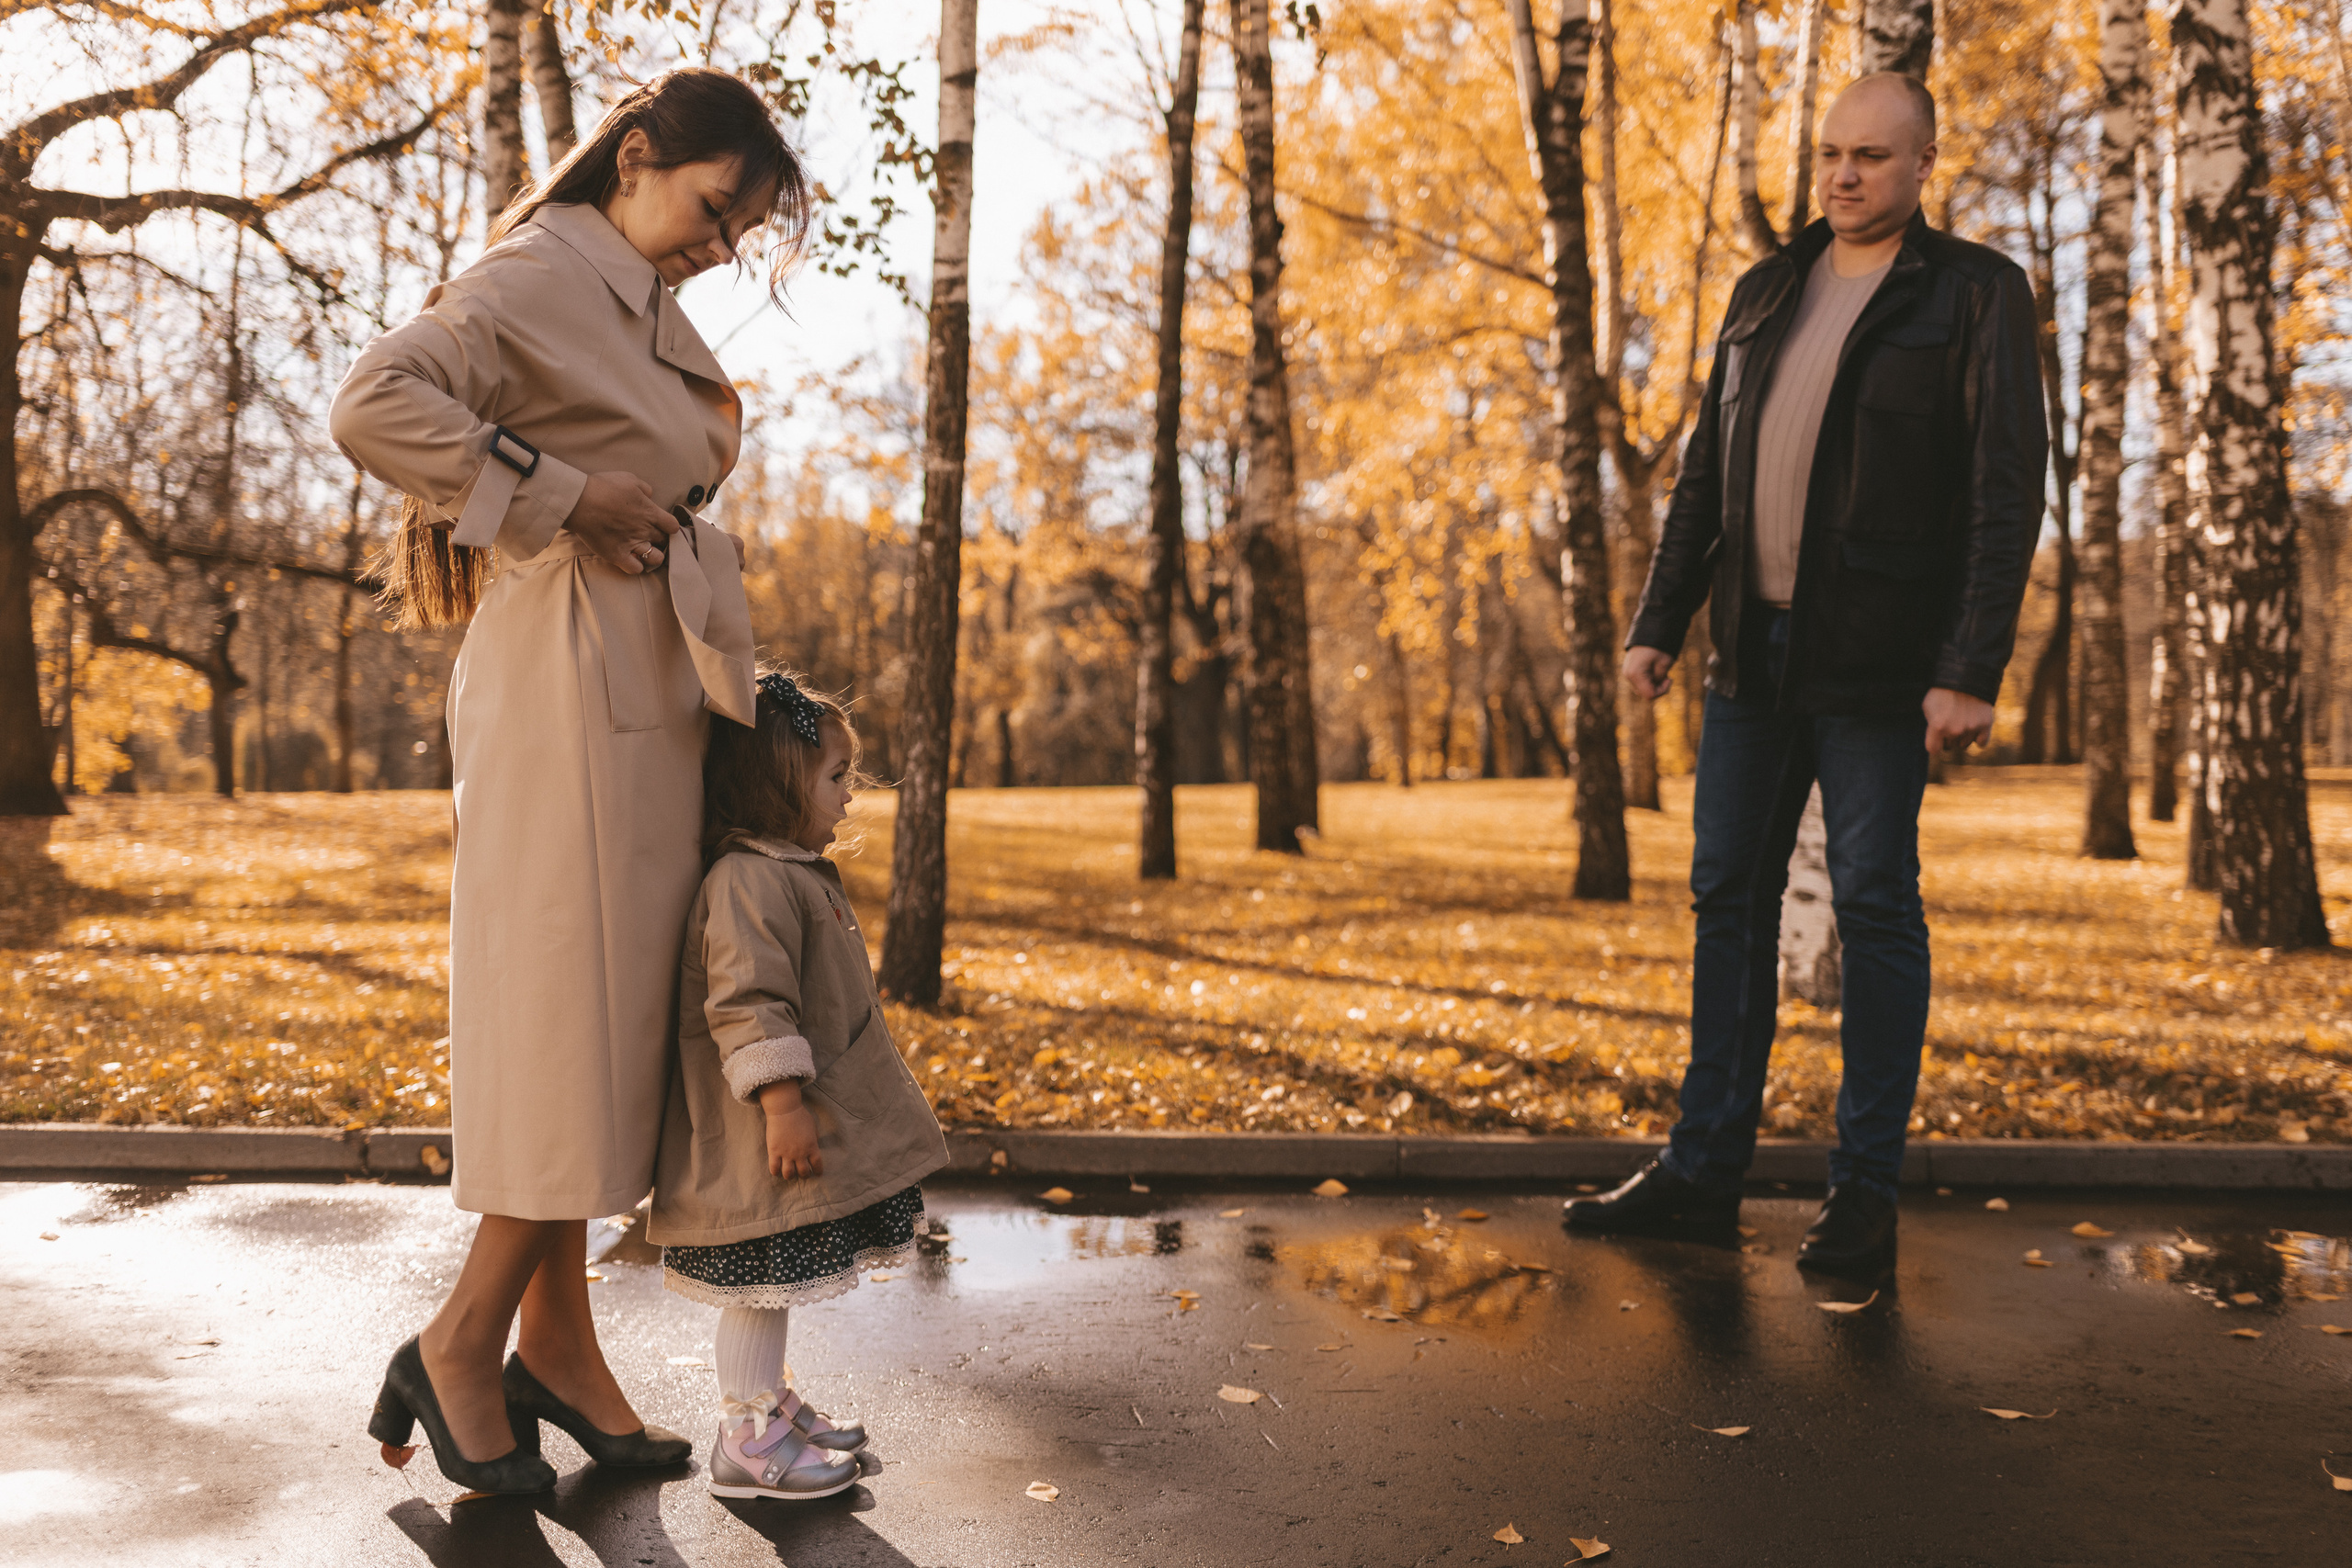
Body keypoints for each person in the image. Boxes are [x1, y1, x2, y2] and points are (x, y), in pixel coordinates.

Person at [334, 69, 808, 1494]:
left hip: (638, 688)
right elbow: (375, 402)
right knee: (567, 1027)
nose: (720, 246)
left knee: (604, 1034)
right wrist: (551, 490)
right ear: (640, 153)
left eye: (741, 231)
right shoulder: (539, 271)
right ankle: (465, 1338)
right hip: (562, 689)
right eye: (717, 208)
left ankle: (562, 1348)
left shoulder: (625, 299)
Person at [1564, 73, 2047, 1272]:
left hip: (1883, 672)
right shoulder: (1765, 288)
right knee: (1728, 899)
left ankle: (1865, 1191)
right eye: (1832, 152)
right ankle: (1700, 1168)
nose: (1845, 174)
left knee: (1876, 904)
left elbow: (2004, 491)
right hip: (1752, 658)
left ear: (1925, 164)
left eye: (1873, 157)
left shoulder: (1976, 294)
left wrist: (1968, 664)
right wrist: (1658, 617)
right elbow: (1704, 477)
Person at [646, 669, 949, 1500]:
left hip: (772, 1137)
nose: (850, 797)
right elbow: (748, 1003)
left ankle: (769, 1404)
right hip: (751, 1141)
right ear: (778, 783)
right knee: (756, 1284)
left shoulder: (787, 869)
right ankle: (745, 1439)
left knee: (771, 1283)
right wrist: (782, 1102)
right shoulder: (748, 881)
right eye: (836, 778)